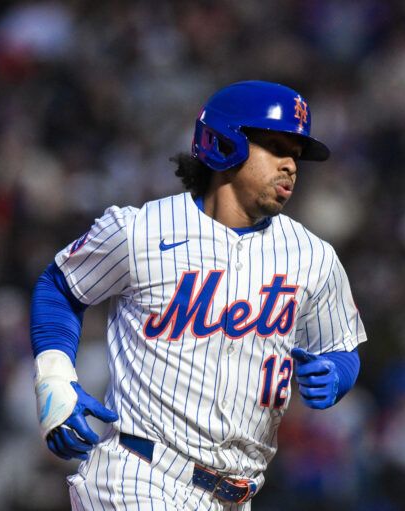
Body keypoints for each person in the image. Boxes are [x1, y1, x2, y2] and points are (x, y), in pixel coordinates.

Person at [29, 80, 366, 509]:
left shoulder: (314, 256)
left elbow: (341, 346)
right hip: (139, 474)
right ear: (224, 144)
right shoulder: (140, 230)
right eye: (276, 147)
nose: (290, 166)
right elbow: (60, 285)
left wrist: (337, 373)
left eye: (296, 155)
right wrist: (55, 378)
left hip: (237, 494)